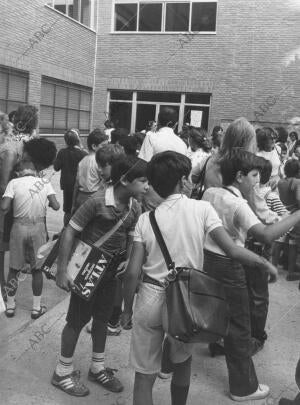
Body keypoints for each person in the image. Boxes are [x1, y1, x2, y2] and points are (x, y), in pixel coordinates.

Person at [121, 151, 278, 405]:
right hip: (184, 300)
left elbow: (131, 273)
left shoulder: (144, 220)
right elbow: (232, 250)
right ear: (183, 180)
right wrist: (263, 263)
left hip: (149, 296)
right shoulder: (202, 209)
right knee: (182, 365)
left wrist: (126, 310)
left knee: (144, 375)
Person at [202, 149, 300, 402]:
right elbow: (266, 235)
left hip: (208, 261)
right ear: (239, 176)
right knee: (240, 327)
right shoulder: (238, 204)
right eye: (254, 175)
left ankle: (170, 365)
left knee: (212, 311)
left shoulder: (211, 192)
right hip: (230, 264)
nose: (258, 181)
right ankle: (242, 387)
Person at [51, 156, 148, 397]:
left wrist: (128, 258)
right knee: (76, 320)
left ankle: (97, 366)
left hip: (111, 273)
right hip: (87, 270)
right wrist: (62, 270)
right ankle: (62, 371)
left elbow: (130, 234)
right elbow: (70, 231)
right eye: (143, 181)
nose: (147, 186)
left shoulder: (135, 207)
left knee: (103, 319)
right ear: (125, 180)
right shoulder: (95, 201)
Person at [0, 138, 59, 318]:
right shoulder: (43, 182)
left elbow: (4, 206)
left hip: (18, 226)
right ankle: (36, 307)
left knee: (14, 269)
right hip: (38, 227)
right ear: (34, 162)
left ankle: (9, 305)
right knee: (37, 270)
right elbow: (56, 206)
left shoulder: (14, 182)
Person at [0, 104, 39, 300]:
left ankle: (5, 291)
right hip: (21, 200)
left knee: (6, 246)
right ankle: (5, 290)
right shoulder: (24, 144)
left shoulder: (14, 144)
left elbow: (4, 182)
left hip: (15, 201)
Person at [138, 107, 188, 211]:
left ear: (159, 122)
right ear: (174, 124)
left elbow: (143, 164)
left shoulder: (151, 137)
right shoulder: (182, 144)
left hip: (154, 191)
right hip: (175, 193)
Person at [54, 129, 87, 225]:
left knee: (68, 210)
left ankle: (65, 229)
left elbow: (56, 168)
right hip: (80, 185)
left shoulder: (62, 152)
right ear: (78, 140)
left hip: (67, 186)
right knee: (79, 209)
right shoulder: (83, 154)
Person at [72, 129, 108, 212]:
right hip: (93, 197)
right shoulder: (98, 161)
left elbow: (76, 184)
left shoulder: (82, 161)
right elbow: (104, 182)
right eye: (103, 146)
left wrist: (73, 204)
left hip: (80, 197)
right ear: (94, 146)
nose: (106, 149)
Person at [278, 159, 300, 280]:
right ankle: (291, 271)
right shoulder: (297, 182)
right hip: (295, 215)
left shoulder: (281, 182)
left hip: (284, 213)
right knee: (294, 242)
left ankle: (284, 262)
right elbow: (299, 200)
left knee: (285, 240)